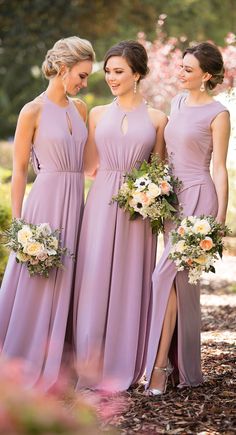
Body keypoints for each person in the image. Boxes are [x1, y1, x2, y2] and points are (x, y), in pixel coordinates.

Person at [0, 36, 95, 390]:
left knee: (69, 276)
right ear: (63, 68)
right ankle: (21, 362)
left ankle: (61, 364)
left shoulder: (81, 109)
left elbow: (90, 166)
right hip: (45, 203)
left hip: (76, 202)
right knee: (37, 278)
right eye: (82, 76)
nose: (85, 84)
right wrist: (20, 224)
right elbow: (21, 169)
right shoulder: (32, 111)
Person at [73, 40, 167, 392]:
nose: (111, 78)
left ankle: (123, 363)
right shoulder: (96, 114)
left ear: (137, 74)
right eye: (108, 71)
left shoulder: (158, 119)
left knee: (131, 282)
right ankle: (88, 364)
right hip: (100, 204)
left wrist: (148, 195)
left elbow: (160, 172)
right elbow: (88, 167)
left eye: (119, 72)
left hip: (139, 213)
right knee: (94, 279)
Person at [146, 42, 230, 395]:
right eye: (180, 67)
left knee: (163, 274)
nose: (180, 73)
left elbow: (220, 169)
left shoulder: (219, 113)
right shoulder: (178, 103)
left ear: (206, 76)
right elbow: (166, 154)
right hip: (172, 200)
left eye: (188, 70)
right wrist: (153, 189)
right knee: (180, 284)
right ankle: (185, 368)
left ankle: (160, 367)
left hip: (199, 198)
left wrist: (219, 222)